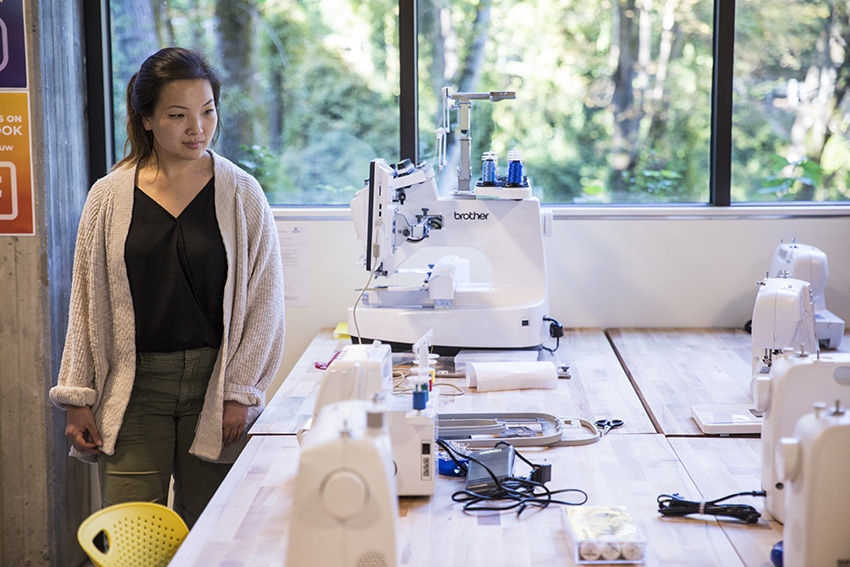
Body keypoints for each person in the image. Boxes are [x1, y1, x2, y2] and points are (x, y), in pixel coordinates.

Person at [49, 47, 285, 528]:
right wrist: (78, 398)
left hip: (214, 384)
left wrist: (241, 391)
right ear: (148, 120)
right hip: (132, 388)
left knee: (213, 533)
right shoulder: (108, 196)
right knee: (131, 533)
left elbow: (265, 301)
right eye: (178, 115)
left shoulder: (242, 193)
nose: (197, 128)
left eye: (207, 111)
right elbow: (85, 303)